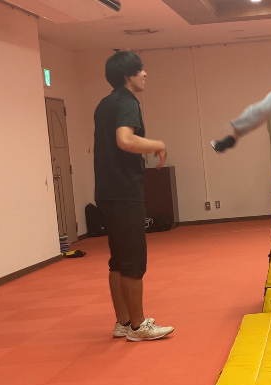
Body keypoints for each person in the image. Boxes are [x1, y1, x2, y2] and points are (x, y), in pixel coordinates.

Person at [94, 51, 174, 342]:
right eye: (140, 70)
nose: (145, 74)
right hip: (125, 191)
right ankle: (139, 327)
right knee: (133, 262)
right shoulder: (127, 102)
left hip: (107, 192)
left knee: (118, 260)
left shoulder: (105, 103)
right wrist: (157, 144)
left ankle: (123, 322)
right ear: (128, 75)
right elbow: (125, 140)